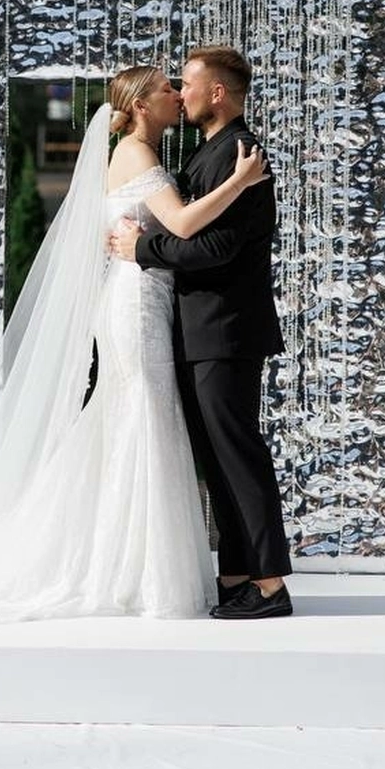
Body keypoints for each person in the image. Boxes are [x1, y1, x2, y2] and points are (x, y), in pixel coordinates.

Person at [0, 64, 268, 623]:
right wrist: (239, 182)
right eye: (166, 88)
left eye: (179, 85)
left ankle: (128, 565)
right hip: (136, 306)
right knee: (141, 418)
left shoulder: (143, 153)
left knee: (134, 421)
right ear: (141, 105)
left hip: (144, 300)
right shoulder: (136, 155)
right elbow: (184, 225)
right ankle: (135, 574)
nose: (176, 94)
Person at [110, 45, 293, 620]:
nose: (181, 93)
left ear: (217, 92)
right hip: (199, 330)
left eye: (186, 84)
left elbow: (216, 247)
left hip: (225, 330)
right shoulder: (209, 153)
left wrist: (144, 248)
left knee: (237, 457)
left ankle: (270, 586)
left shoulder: (240, 152)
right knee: (217, 461)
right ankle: (236, 576)